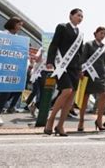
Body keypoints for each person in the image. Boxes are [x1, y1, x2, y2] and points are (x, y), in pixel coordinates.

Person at [44, 8, 84, 136]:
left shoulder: (80, 33)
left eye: (82, 16)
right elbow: (54, 44)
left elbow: (80, 52)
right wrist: (50, 60)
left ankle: (60, 125)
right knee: (66, 91)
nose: (80, 18)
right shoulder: (62, 27)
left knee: (71, 97)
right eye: (78, 15)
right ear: (71, 16)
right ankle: (50, 121)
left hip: (74, 67)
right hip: (62, 65)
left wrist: (81, 68)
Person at [77, 26, 105, 132]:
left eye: (104, 33)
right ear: (95, 33)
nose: (103, 35)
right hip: (88, 74)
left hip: (101, 74)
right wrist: (81, 70)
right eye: (101, 33)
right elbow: (83, 58)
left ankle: (99, 120)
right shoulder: (88, 44)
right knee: (85, 97)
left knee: (103, 95)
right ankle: (81, 121)